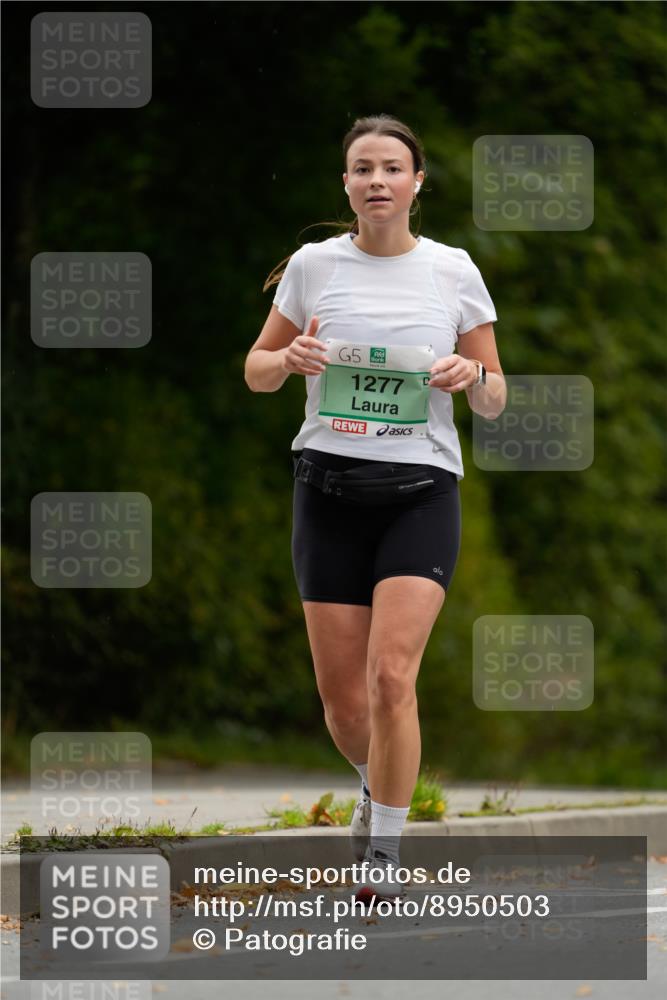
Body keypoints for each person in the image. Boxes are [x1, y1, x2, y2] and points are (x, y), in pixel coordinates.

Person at [244, 114, 506, 905]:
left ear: (416, 183)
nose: (378, 181)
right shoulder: (314, 267)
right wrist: (285, 358)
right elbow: (256, 370)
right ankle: (375, 784)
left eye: (392, 167)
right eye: (363, 168)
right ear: (347, 185)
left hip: (419, 492)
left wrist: (470, 376)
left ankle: (382, 855)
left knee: (392, 677)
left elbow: (494, 396)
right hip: (326, 489)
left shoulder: (452, 270)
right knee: (344, 702)